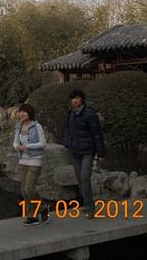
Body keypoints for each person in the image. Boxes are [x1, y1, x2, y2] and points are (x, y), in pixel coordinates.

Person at [64, 89, 105, 218]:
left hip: (88, 151)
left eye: (77, 98)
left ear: (82, 99)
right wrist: (67, 145)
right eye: (72, 98)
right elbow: (68, 130)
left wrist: (101, 154)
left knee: (85, 177)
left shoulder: (90, 114)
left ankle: (90, 208)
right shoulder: (71, 113)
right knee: (79, 179)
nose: (74, 101)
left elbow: (97, 134)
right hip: (75, 151)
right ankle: (87, 204)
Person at [13, 103, 49, 226]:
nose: (22, 114)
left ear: (30, 113)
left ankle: (36, 212)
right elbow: (15, 142)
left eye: (25, 111)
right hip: (22, 160)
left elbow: (43, 143)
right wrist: (16, 146)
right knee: (23, 190)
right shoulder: (18, 126)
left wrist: (27, 146)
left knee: (29, 188)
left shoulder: (37, 126)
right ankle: (39, 211)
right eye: (20, 111)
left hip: (35, 160)